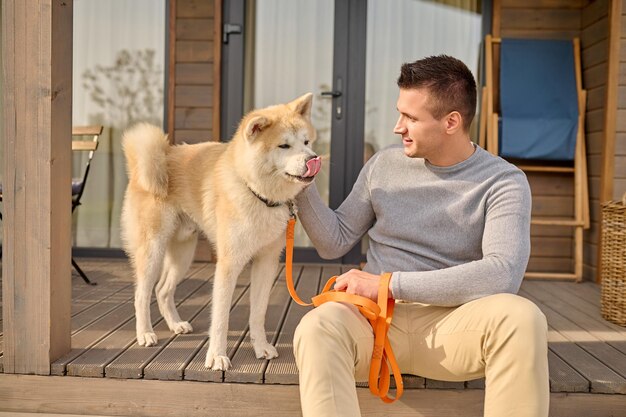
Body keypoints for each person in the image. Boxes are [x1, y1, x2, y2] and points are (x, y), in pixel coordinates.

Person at [293, 55, 549, 417]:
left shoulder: (503, 181)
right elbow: (334, 240)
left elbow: (501, 273)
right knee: (317, 327)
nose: (398, 127)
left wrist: (388, 284)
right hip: (374, 325)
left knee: (522, 317)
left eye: (411, 118)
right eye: (400, 114)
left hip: (452, 328)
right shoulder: (384, 164)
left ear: (451, 122)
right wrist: (302, 187)